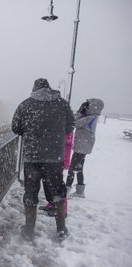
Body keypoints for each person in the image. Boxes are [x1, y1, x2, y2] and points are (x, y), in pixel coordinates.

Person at [12, 78, 74, 241]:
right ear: (49, 88)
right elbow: (69, 127)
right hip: (54, 158)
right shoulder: (62, 104)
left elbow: (15, 128)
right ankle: (61, 229)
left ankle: (29, 230)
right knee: (57, 192)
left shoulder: (25, 104)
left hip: (32, 158)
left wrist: (32, 130)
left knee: (31, 193)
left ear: (34, 89)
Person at [66, 98, 104, 197]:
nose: (86, 106)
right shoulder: (91, 117)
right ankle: (80, 191)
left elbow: (74, 122)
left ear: (93, 107)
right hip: (84, 145)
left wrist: (79, 112)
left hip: (82, 146)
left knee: (72, 168)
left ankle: (66, 190)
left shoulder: (89, 118)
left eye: (88, 105)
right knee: (78, 168)